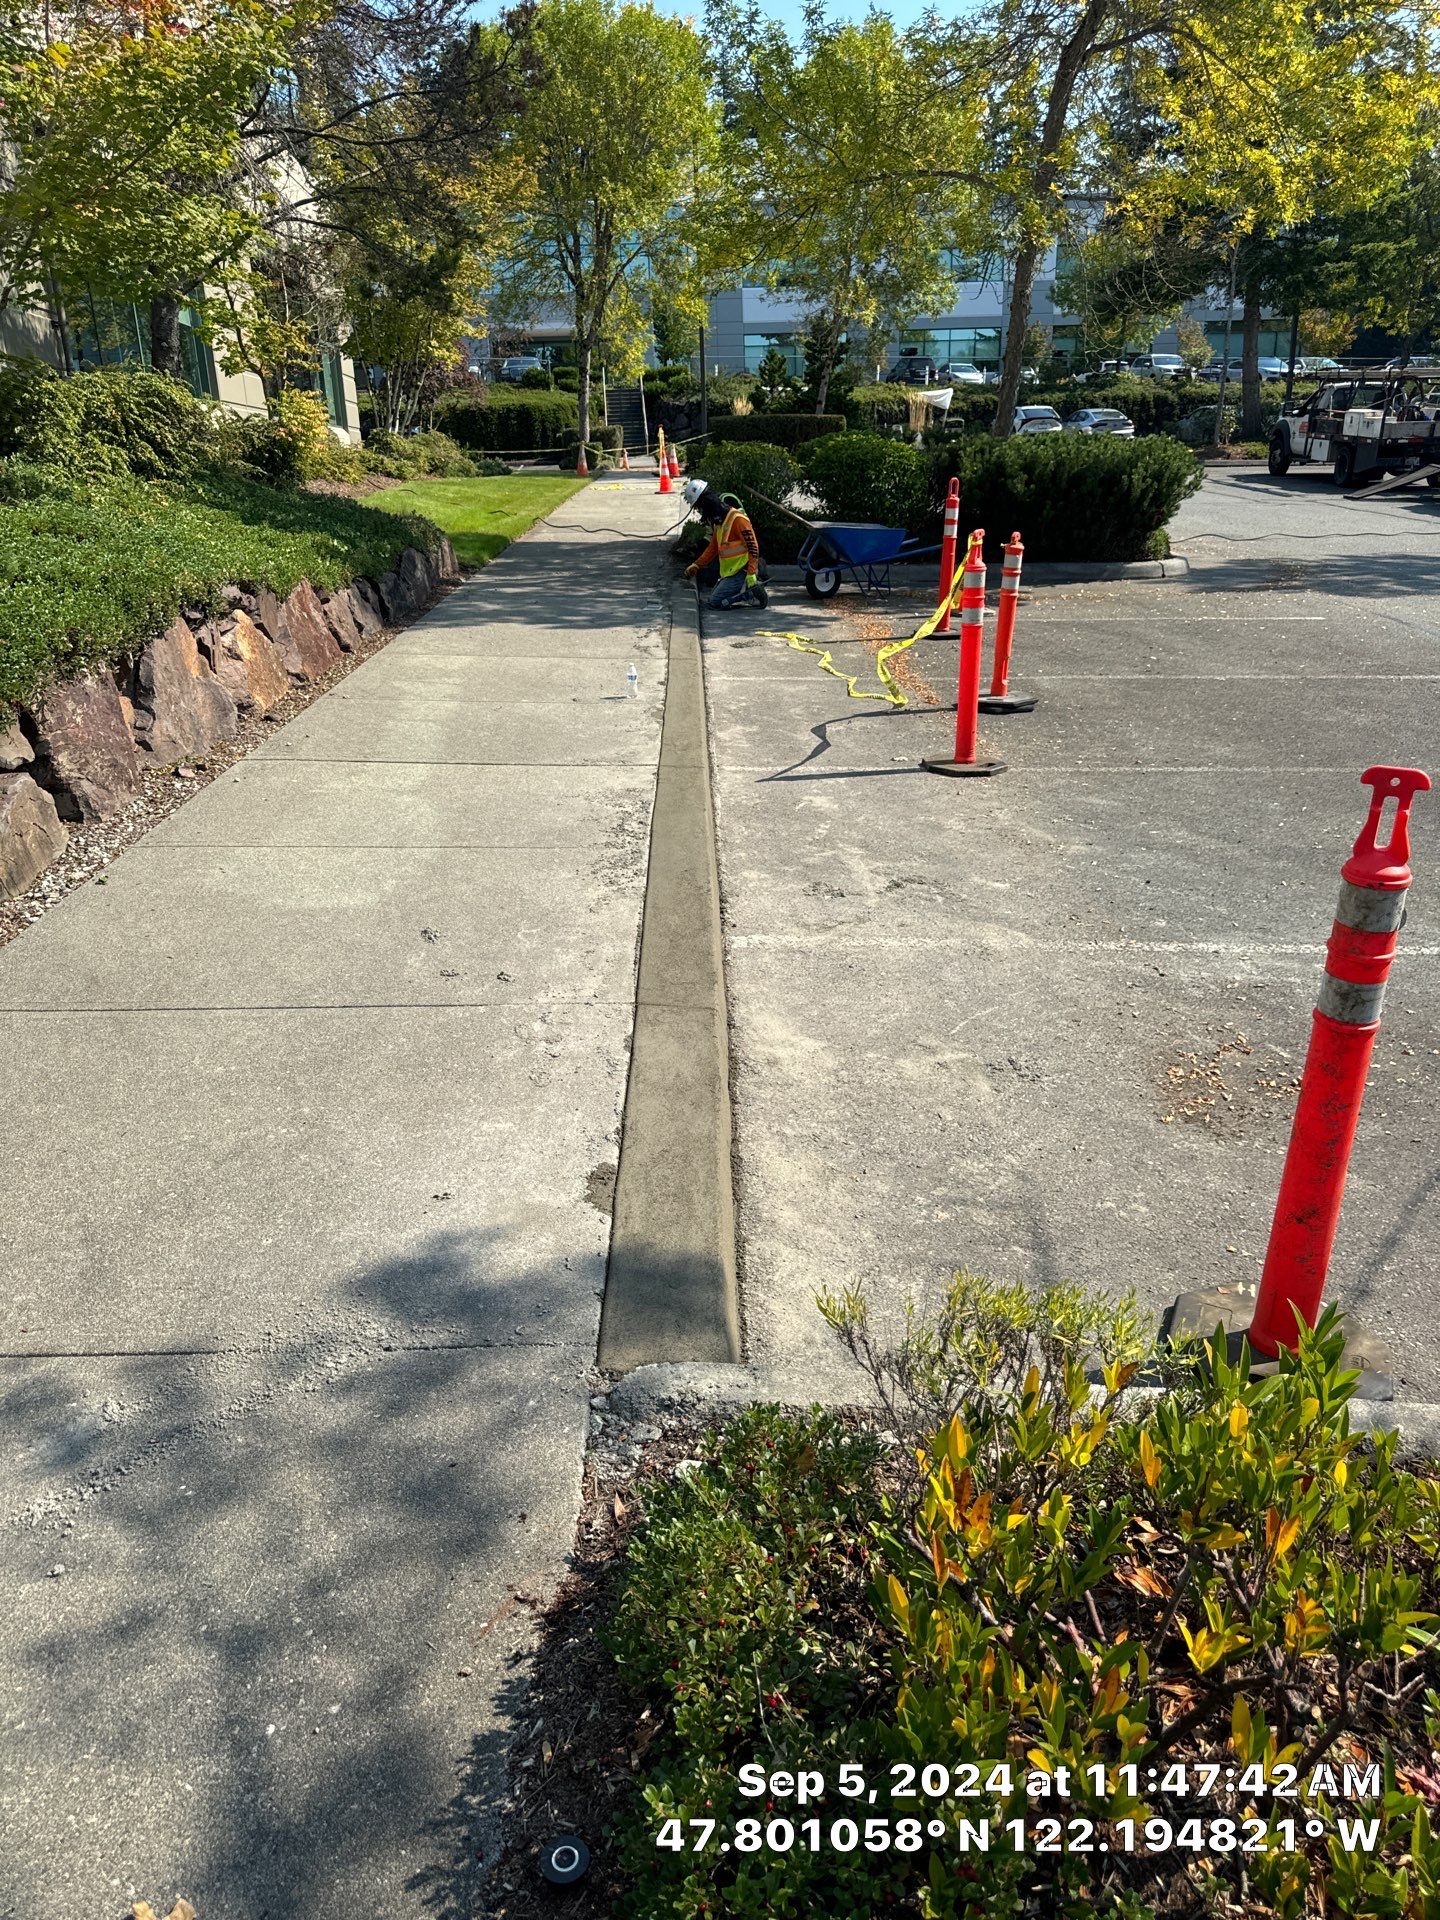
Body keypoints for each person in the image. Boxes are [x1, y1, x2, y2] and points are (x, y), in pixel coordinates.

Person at [681, 479, 768, 609]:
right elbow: (713, 548)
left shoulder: (738, 519)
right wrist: (696, 565)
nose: (700, 512)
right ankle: (745, 588)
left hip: (743, 570)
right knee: (714, 598)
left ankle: (751, 592)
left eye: (700, 508)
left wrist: (751, 573)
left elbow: (753, 547)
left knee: (715, 602)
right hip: (731, 572)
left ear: (706, 504)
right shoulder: (719, 521)